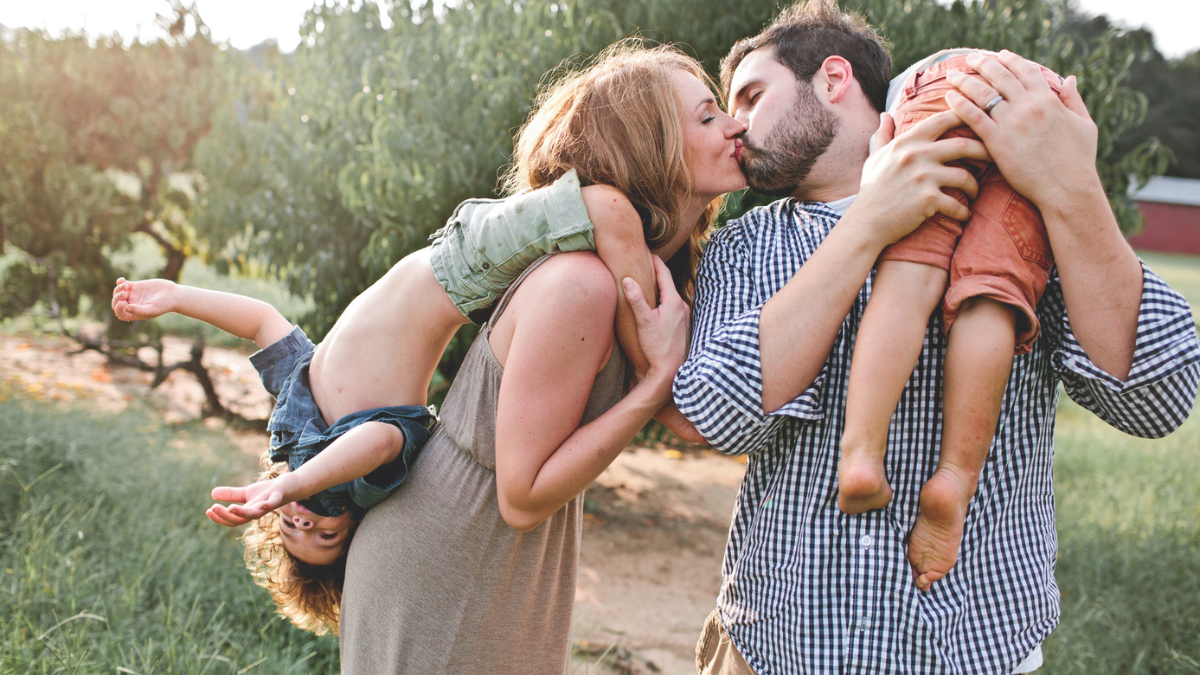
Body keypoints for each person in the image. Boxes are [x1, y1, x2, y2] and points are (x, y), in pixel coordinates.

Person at [108, 38, 719, 632]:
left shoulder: (295, 420)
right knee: (611, 212)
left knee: (608, 214)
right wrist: (293, 485)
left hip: (451, 256)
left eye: (297, 530)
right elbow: (366, 444)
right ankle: (670, 394)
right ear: (353, 522)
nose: (309, 520)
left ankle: (669, 390)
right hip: (461, 275)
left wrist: (176, 297)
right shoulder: (373, 467)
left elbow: (262, 322)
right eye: (327, 534)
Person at [674, 2, 1200, 674]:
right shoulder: (743, 246)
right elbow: (719, 417)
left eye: (752, 93)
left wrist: (1072, 190)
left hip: (967, 646)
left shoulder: (1031, 216)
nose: (737, 123)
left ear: (833, 78)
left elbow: (1157, 400)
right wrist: (868, 224)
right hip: (776, 641)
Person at [337, 40, 746, 673]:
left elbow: (697, 423)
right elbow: (521, 496)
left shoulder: (649, 274)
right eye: (706, 117)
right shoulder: (580, 286)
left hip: (507, 550)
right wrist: (652, 383)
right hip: (455, 548)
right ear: (649, 147)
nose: (735, 125)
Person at [839, 48, 1068, 591]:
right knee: (993, 296)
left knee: (906, 283)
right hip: (1039, 99)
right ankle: (955, 478)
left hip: (942, 87)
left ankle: (863, 455)